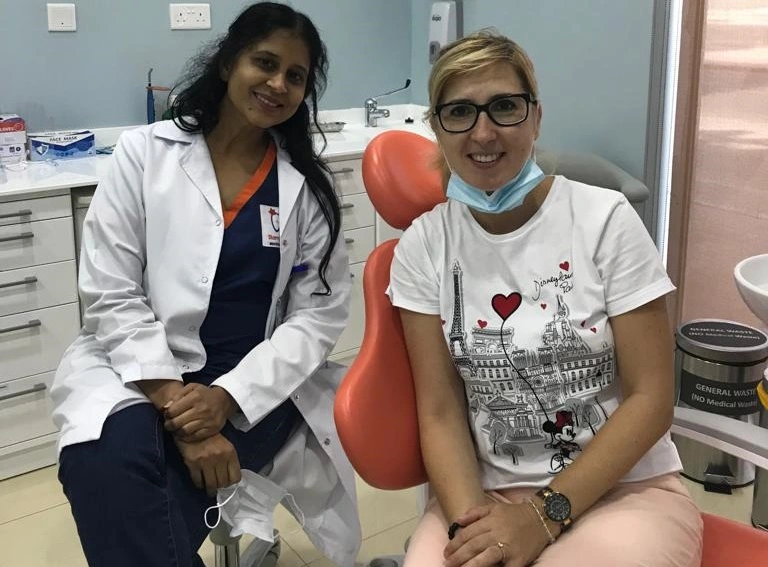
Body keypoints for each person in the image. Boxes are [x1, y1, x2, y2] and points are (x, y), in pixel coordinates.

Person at [51, 3, 361, 566]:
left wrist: (223, 399)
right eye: (264, 63)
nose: (278, 84)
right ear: (226, 63)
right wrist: (181, 411)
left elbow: (318, 317)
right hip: (140, 371)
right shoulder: (144, 155)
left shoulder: (306, 190)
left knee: (139, 503)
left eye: (296, 76)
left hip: (252, 390)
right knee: (101, 457)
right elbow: (109, 289)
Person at [387, 31, 703, 567]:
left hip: (622, 489)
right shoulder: (424, 245)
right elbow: (440, 412)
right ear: (437, 129)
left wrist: (542, 515)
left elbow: (651, 398)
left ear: (535, 118)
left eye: (505, 107)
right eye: (459, 112)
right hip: (484, 495)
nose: (483, 132)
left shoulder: (605, 221)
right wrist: (473, 527)